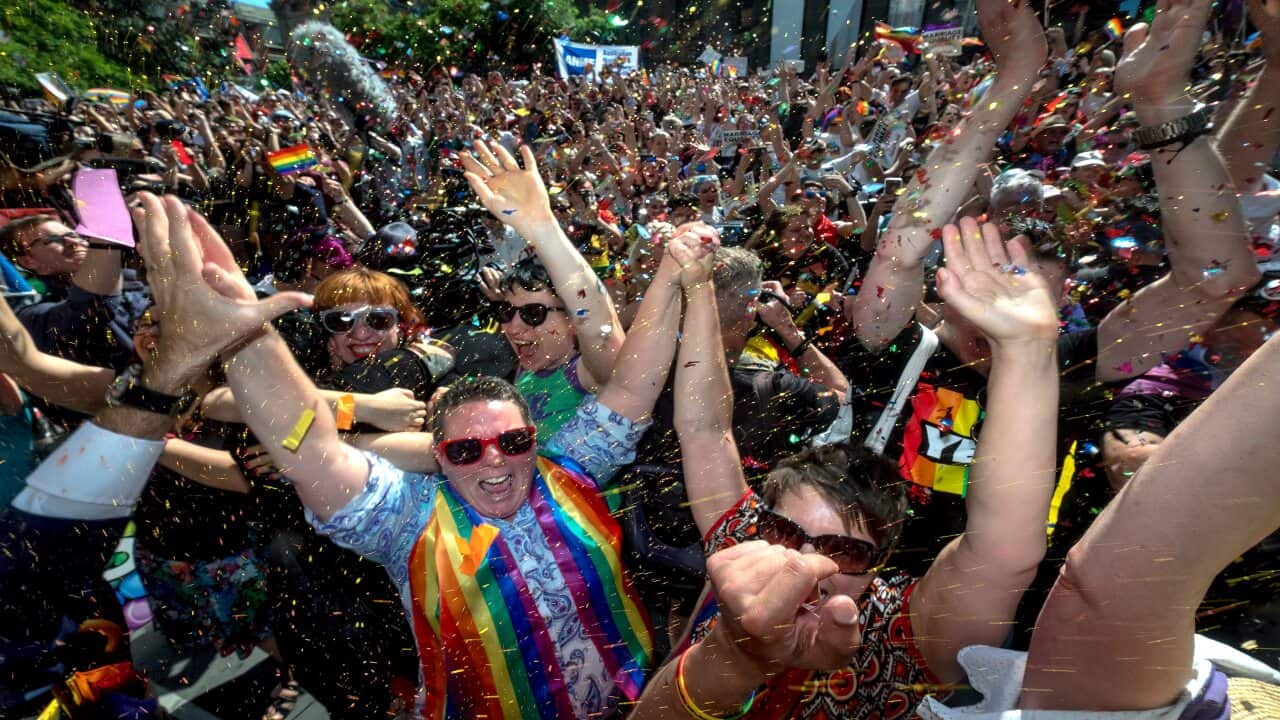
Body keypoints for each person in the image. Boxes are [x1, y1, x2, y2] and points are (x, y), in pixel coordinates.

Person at [209, 142, 725, 718]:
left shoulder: (567, 470)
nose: (495, 462)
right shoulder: (409, 520)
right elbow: (309, 451)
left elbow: (631, 376)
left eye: (511, 442)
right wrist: (242, 342)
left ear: (532, 438)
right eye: (464, 449)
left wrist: (556, 230)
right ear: (441, 455)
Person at [631, 217, 1063, 719]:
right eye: (784, 532)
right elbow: (705, 427)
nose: (804, 563)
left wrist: (1027, 352)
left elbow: (1003, 549)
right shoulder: (740, 542)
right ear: (760, 522)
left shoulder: (901, 633)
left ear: (880, 564)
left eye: (844, 551)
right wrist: (701, 284)